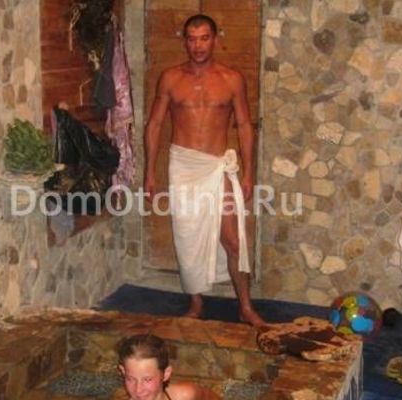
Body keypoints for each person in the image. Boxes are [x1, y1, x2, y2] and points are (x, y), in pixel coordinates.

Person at [143, 14, 265, 327]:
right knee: (187, 236)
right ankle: (196, 302)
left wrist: (249, 173)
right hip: (183, 166)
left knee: (234, 240)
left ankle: (245, 307)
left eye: (204, 38)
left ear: (215, 39)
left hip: (216, 166)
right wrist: (150, 172)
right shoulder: (171, 78)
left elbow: (244, 125)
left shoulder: (231, 79)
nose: (198, 45)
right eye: (192, 38)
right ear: (185, 41)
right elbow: (155, 124)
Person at [117, 334, 220, 400]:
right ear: (123, 371)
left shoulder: (184, 395)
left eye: (147, 379)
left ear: (166, 374)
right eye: (131, 379)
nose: (138, 390)